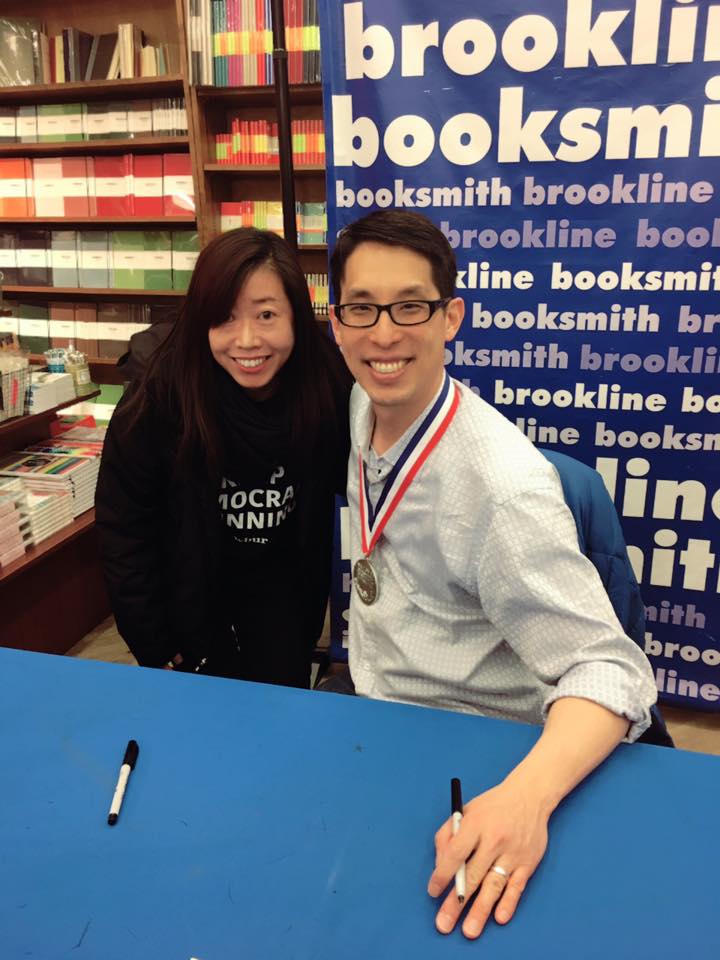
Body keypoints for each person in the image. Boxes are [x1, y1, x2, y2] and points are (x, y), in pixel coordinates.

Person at [328, 210, 657, 941]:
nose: (384, 334)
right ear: (337, 322)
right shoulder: (363, 399)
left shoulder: (502, 490)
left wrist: (525, 800)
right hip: (382, 715)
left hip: (481, 746)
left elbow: (611, 670)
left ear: (453, 318)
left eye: (410, 306)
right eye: (362, 308)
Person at [96, 228, 352, 687]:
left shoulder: (328, 385)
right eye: (225, 319)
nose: (248, 340)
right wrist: (152, 640)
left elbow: (364, 485)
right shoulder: (158, 399)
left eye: (267, 314)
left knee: (278, 707)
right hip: (188, 595)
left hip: (285, 592)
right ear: (201, 322)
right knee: (204, 725)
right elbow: (124, 528)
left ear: (297, 314)